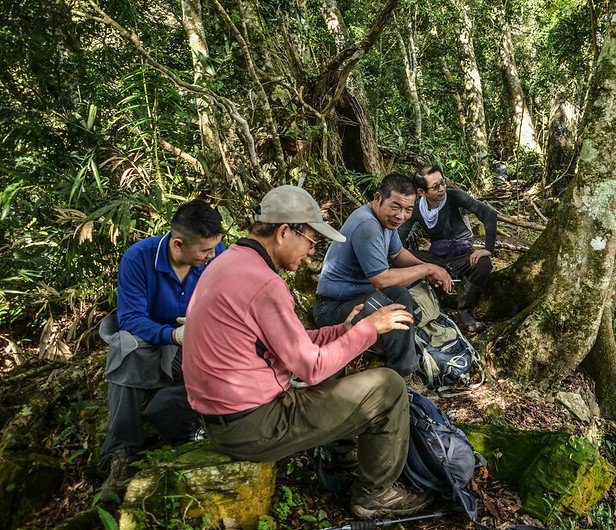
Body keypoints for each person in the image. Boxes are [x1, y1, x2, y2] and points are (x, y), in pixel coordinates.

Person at [182, 185, 434, 519]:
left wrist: (340, 332)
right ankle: (376, 494)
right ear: (284, 232)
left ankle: (347, 455)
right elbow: (310, 368)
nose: (312, 253)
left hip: (223, 418)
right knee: (388, 387)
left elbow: (289, 343)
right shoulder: (264, 283)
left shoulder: (231, 262)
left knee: (341, 359)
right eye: (311, 242)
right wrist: (370, 328)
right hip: (252, 426)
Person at [98, 199, 225, 502]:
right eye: (205, 251)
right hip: (150, 336)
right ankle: (123, 449)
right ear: (178, 244)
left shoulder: (215, 255)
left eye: (214, 249)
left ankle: (204, 427)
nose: (212, 256)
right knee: (125, 352)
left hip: (195, 335)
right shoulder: (138, 258)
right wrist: (171, 334)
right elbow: (130, 318)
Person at [313, 173, 452, 377]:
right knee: (398, 301)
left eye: (408, 210)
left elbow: (397, 254)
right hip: (331, 309)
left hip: (358, 298)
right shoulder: (367, 225)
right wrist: (427, 269)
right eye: (395, 206)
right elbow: (380, 279)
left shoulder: (385, 222)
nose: (401, 216)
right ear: (378, 198)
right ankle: (402, 373)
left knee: (401, 295)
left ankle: (400, 353)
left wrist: (429, 268)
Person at [398, 165, 497, 332]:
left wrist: (488, 248)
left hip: (463, 257)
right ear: (422, 192)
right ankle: (423, 304)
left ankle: (464, 310)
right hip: (436, 259)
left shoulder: (455, 197)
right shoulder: (417, 210)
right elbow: (399, 241)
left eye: (442, 182)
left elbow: (489, 213)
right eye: (435, 186)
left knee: (483, 264)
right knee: (401, 258)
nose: (442, 188)